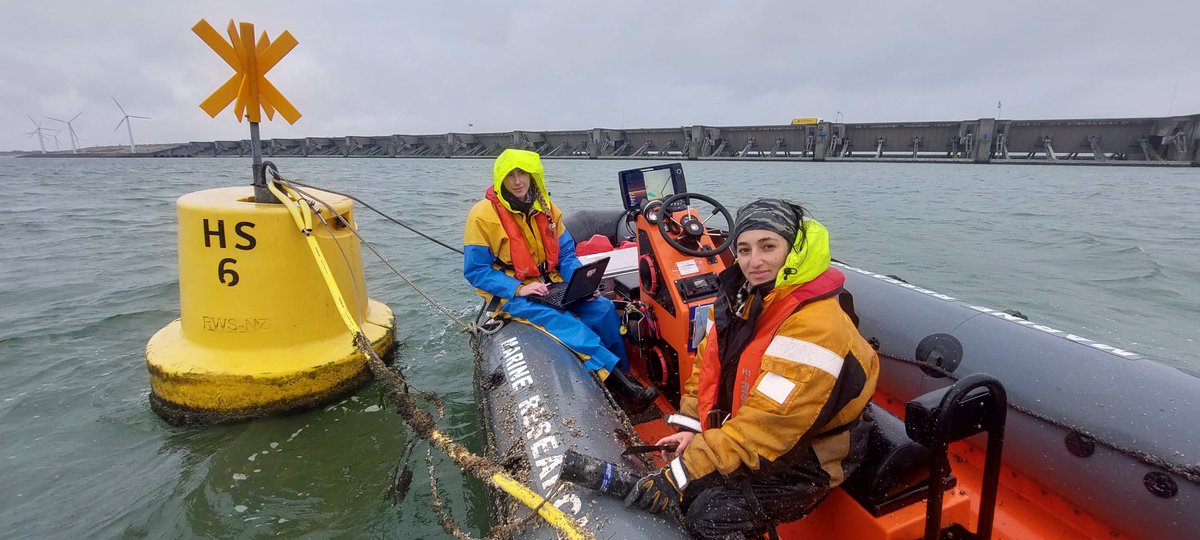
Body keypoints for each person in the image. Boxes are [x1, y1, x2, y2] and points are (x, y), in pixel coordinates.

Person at [624, 199, 880, 538]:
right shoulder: (742, 298)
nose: (754, 261)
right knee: (691, 494)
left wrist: (683, 471)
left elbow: (769, 429)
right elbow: (707, 368)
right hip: (751, 435)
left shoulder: (817, 325)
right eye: (743, 249)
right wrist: (691, 428)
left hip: (811, 458)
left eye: (768, 246)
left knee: (711, 515)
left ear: (794, 249)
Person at [463, 149, 657, 410]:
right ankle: (623, 392)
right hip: (516, 295)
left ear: (534, 176)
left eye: (523, 173)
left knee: (603, 310)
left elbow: (565, 254)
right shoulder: (481, 216)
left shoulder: (546, 207)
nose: (518, 181)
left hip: (555, 283)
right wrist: (519, 288)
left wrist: (581, 283)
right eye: (511, 175)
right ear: (500, 179)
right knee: (569, 326)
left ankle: (623, 374)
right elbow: (476, 271)